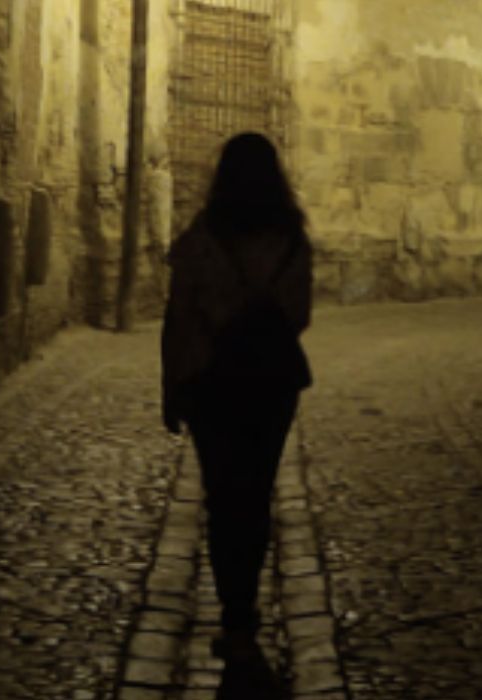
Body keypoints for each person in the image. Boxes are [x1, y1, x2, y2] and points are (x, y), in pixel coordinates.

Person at [160, 132, 313, 687]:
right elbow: (299, 315)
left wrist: (172, 389)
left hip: (213, 385)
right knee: (256, 494)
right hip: (272, 384)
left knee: (224, 500)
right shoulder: (292, 239)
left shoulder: (202, 239)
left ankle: (238, 619)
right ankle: (245, 623)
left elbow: (179, 319)